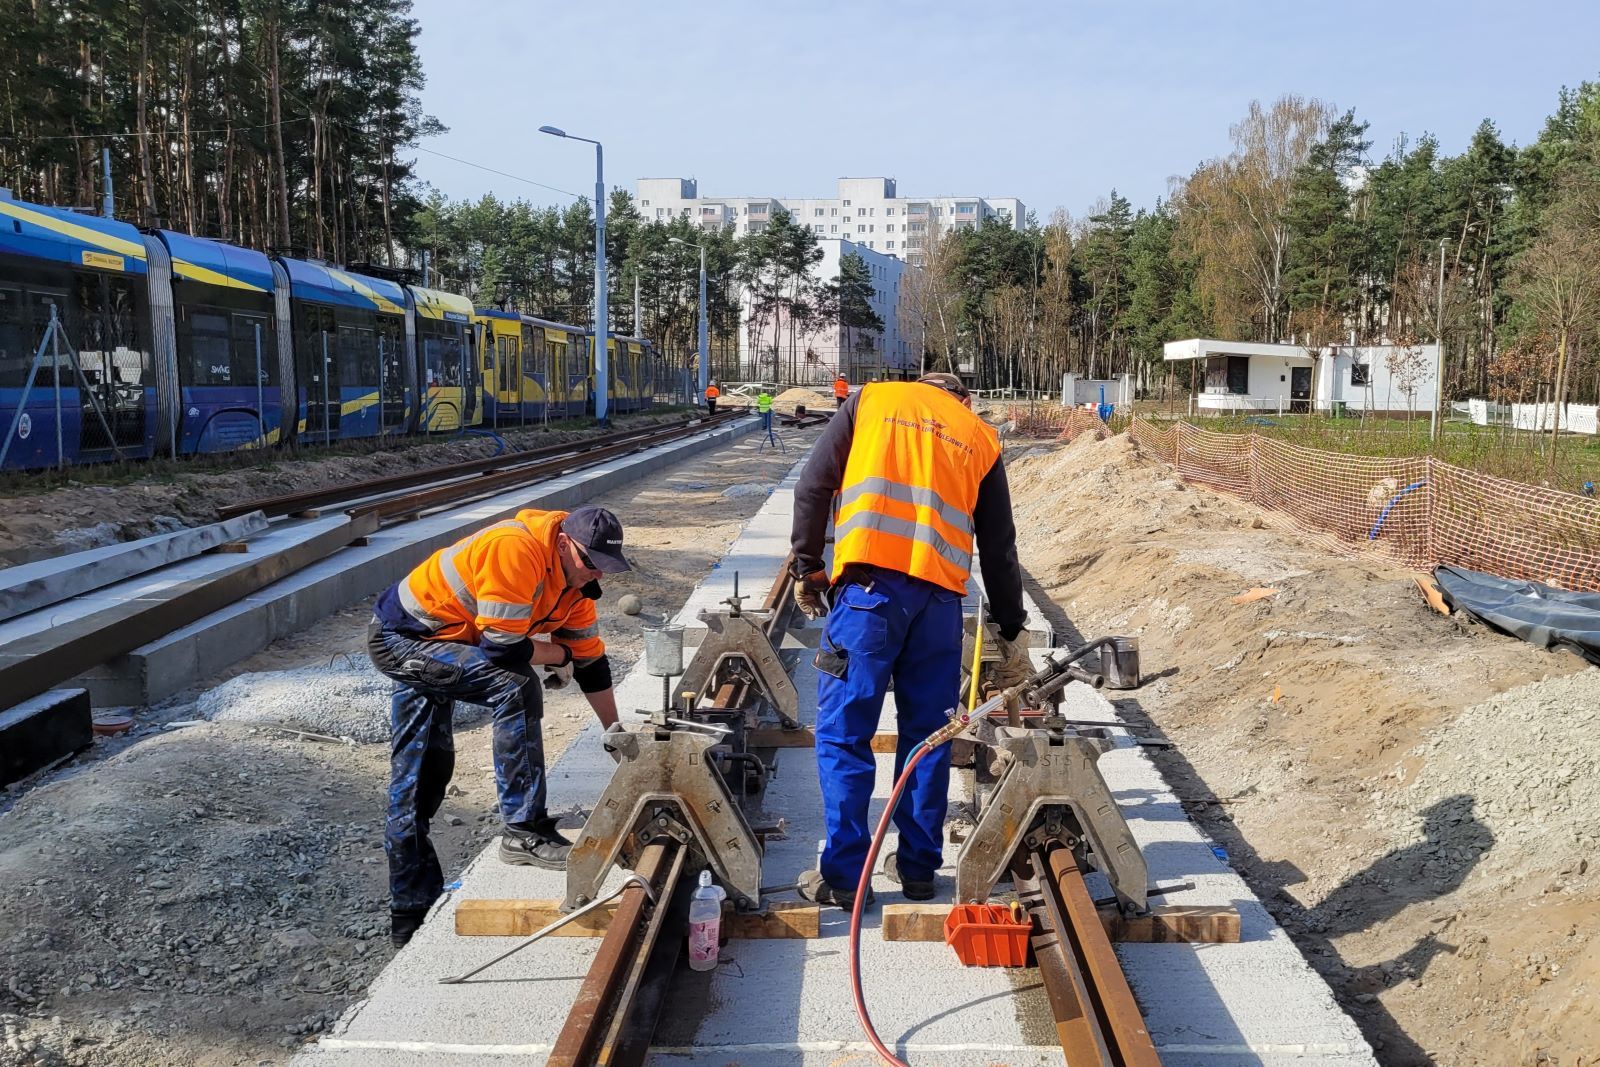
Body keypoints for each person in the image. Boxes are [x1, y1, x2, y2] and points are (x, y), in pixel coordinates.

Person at [788, 372, 1031, 909]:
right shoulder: (978, 434)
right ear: (962, 399)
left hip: (869, 599)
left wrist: (808, 567)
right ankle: (919, 869)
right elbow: (998, 545)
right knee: (928, 737)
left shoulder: (870, 401)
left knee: (845, 733)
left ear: (921, 384)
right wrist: (1010, 625)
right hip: (940, 605)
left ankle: (847, 877)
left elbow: (812, 487)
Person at [367, 505, 631, 946]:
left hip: (451, 643)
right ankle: (522, 830)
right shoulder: (516, 548)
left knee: (422, 775)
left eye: (605, 569)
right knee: (514, 686)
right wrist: (558, 656)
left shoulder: (575, 586)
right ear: (564, 544)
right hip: (405, 640)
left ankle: (412, 916)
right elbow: (504, 653)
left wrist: (616, 734)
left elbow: (590, 661)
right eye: (591, 564)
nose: (596, 576)